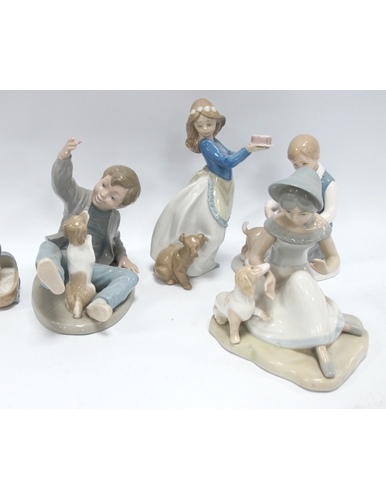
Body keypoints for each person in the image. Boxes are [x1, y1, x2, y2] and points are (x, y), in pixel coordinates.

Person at [247, 168, 361, 378]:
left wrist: (327, 268)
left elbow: (334, 257)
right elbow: (255, 256)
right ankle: (321, 345)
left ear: (314, 209)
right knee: (297, 300)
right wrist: (267, 274)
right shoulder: (276, 223)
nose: (295, 218)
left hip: (302, 275)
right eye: (289, 212)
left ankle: (330, 331)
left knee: (304, 289)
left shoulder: (319, 226)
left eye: (303, 214)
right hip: (275, 279)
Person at [151, 98, 269, 277]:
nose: (205, 128)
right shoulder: (205, 144)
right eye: (200, 125)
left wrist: (250, 149)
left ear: (216, 123)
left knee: (213, 230)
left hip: (223, 184)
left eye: (209, 124)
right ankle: (195, 265)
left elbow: (229, 154)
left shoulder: (214, 140)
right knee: (214, 233)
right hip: (212, 186)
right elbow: (226, 161)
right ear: (194, 127)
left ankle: (203, 262)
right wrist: (247, 150)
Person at [35, 138, 141, 323]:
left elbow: (115, 240)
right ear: (100, 179)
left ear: (120, 205)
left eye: (113, 197)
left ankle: (101, 303)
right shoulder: (79, 197)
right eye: (104, 185)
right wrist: (64, 159)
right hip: (64, 258)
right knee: (47, 247)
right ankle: (54, 278)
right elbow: (63, 184)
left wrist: (122, 256)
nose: (103, 194)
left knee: (130, 277)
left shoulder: (114, 217)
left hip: (89, 268)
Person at [264, 134, 337, 265]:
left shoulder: (328, 184)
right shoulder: (297, 177)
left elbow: (331, 213)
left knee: (304, 254)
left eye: (304, 163)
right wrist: (271, 206)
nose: (300, 168)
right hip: (293, 223)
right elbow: (287, 196)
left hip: (312, 232)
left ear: (317, 157)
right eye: (295, 165)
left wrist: (310, 223)